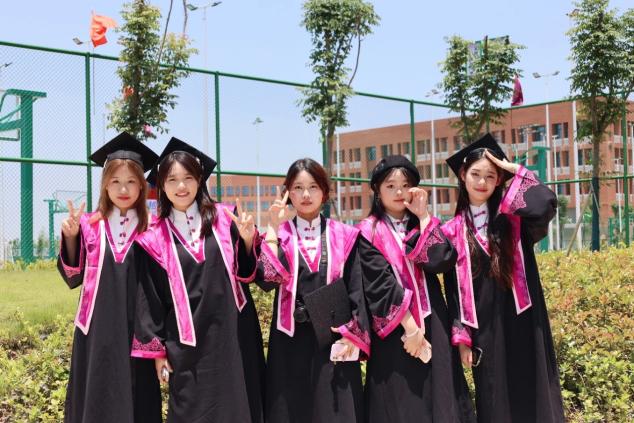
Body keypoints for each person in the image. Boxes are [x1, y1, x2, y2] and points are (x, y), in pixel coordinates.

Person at [257, 158, 424, 423]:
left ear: (324, 192)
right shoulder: (281, 235)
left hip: (336, 338)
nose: (306, 195)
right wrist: (272, 227)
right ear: (288, 193)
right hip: (289, 341)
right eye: (298, 188)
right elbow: (266, 280)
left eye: (313, 187)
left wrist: (353, 334)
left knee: (335, 411)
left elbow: (357, 289)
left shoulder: (344, 235)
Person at [131, 137, 265, 423]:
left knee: (239, 404)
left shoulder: (226, 218)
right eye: (172, 180)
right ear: (162, 185)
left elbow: (250, 272)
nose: (181, 186)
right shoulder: (153, 237)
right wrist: (157, 351)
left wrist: (247, 240)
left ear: (199, 180)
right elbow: (150, 297)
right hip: (186, 341)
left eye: (188, 178)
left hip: (233, 332)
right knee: (192, 407)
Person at [442, 133, 564, 422]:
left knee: (532, 389)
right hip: (484, 326)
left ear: (499, 180)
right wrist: (462, 336)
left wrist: (514, 170)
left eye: (490, 175)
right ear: (462, 175)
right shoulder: (451, 231)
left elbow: (546, 203)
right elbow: (453, 288)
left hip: (523, 317)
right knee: (494, 395)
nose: (482, 182)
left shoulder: (514, 218)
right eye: (475, 174)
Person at [357, 155, 475, 422]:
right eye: (390, 186)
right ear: (377, 190)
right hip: (394, 329)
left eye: (405, 185)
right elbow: (379, 285)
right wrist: (410, 329)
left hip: (434, 323)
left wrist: (423, 216)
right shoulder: (367, 232)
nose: (399, 192)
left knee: (440, 395)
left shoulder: (423, 225)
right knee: (399, 400)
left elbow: (442, 261)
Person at [57, 132, 162, 423]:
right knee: (97, 393)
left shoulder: (153, 228)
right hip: (96, 330)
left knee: (138, 397)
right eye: (115, 181)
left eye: (131, 181)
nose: (123, 189)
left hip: (138, 329)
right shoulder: (89, 225)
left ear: (141, 185)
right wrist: (71, 238)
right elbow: (73, 276)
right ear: (105, 184)